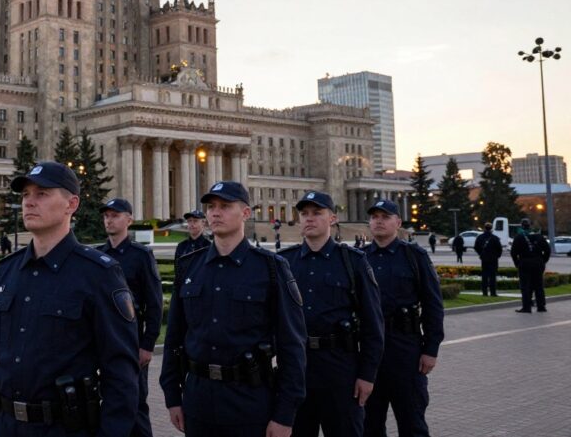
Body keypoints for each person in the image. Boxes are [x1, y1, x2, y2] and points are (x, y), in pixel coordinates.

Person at [0, 162, 139, 437]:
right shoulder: (7, 270)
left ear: (71, 204)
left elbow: (120, 373)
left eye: (42, 194)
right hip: (4, 426)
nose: (29, 202)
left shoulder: (98, 273)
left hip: (64, 427)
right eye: (26, 195)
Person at [160, 181, 306, 437]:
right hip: (199, 401)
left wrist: (284, 414)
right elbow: (175, 336)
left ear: (246, 213)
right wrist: (172, 395)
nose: (215, 213)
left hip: (249, 401)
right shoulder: (190, 266)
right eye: (211, 207)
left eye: (225, 206)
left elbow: (291, 345)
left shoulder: (271, 268)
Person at [279, 191, 384, 437]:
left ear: (333, 218)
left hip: (341, 368)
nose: (309, 219)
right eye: (304, 214)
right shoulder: (285, 263)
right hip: (297, 369)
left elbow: (373, 324)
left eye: (317, 213)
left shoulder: (352, 261)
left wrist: (367, 376)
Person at [363, 198, 445, 437]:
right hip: (369, 352)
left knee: (412, 422)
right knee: (369, 423)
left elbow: (433, 304)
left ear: (398, 223)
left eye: (385, 217)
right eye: (375, 217)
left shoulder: (413, 256)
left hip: (405, 349)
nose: (379, 222)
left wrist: (431, 348)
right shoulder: (359, 258)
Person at [98, 198, 163, 437]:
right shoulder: (97, 255)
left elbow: (154, 303)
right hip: (102, 341)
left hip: (131, 343)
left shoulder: (141, 256)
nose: (109, 220)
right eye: (106, 216)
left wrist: (147, 345)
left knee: (134, 404)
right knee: (105, 403)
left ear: (129, 220)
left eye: (115, 215)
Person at [510, 218, 551, 313]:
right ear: (530, 226)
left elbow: (513, 253)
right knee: (539, 285)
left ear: (521, 226)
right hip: (538, 263)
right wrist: (543, 261)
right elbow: (548, 250)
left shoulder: (519, 237)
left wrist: (517, 263)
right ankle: (541, 306)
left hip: (525, 263)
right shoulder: (539, 236)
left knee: (525, 286)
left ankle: (527, 307)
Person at [473, 223, 503, 297]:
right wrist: (497, 256)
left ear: (484, 228)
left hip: (484, 259)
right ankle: (493, 292)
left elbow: (476, 247)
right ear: (491, 228)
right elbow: (500, 249)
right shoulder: (495, 238)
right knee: (493, 276)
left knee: (484, 276)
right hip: (493, 259)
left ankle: (484, 292)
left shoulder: (480, 237)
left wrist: (481, 254)